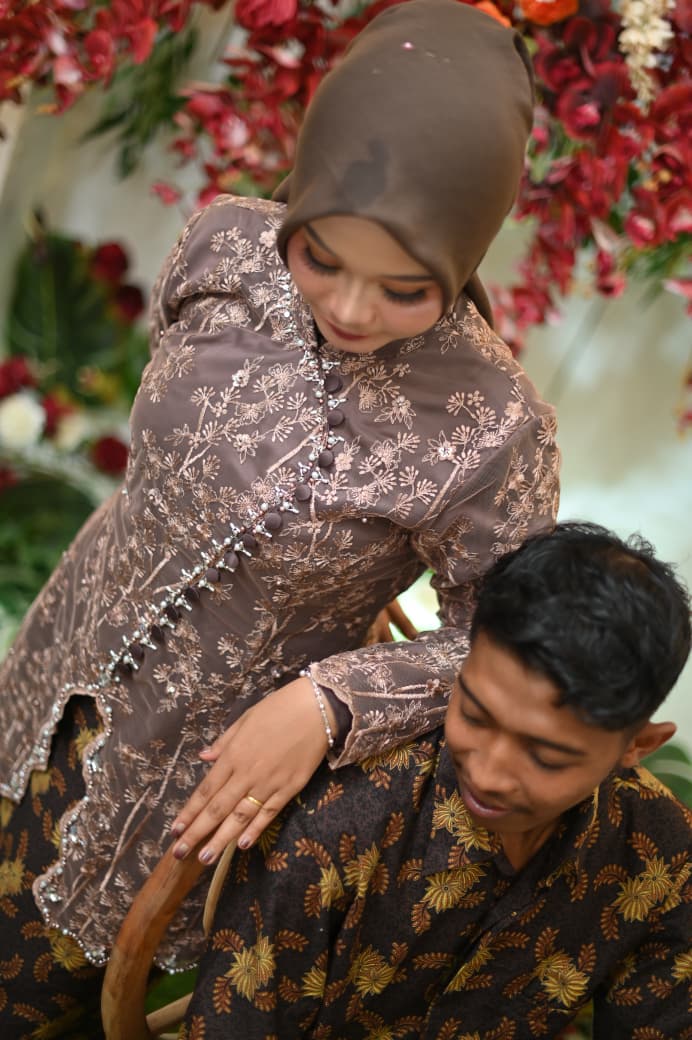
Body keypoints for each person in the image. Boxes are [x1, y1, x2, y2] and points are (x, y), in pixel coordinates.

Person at [0, 1, 559, 1035]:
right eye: (323, 259)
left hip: (188, 774)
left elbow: (503, 635)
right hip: (57, 657)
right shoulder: (227, 244)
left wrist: (330, 703)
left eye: (405, 289)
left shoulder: (490, 427)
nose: (349, 309)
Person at [181, 521, 692, 1040]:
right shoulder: (337, 821)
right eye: (474, 715)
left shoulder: (662, 856)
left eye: (545, 757)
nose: (488, 776)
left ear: (636, 746)